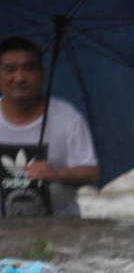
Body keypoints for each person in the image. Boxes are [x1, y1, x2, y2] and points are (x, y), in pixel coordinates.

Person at [0, 37, 99, 217]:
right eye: (10, 69)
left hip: (59, 227)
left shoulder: (68, 117)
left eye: (28, 68)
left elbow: (91, 172)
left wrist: (55, 173)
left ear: (42, 75)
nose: (20, 77)